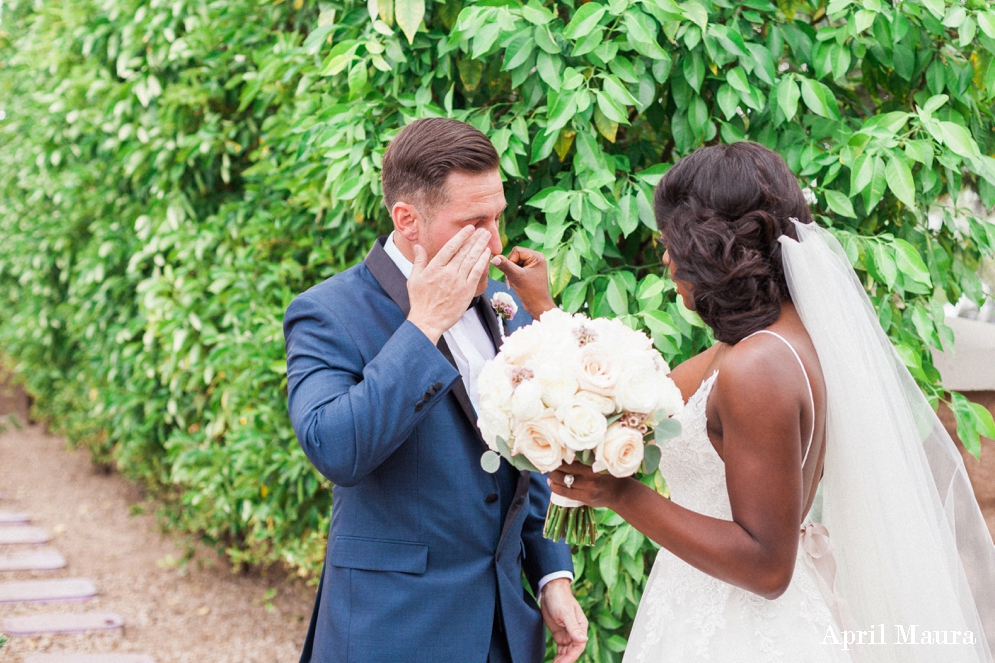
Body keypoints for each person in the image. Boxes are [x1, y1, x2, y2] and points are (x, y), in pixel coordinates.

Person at [501, 142, 995, 662]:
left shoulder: (759, 367)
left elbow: (767, 565)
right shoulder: (753, 345)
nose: (666, 258)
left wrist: (623, 497)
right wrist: (545, 311)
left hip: (745, 634)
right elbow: (634, 404)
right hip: (702, 608)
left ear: (708, 244)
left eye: (672, 240)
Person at [284, 118, 588, 663]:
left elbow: (528, 449)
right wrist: (422, 327)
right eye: (474, 222)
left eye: (497, 216)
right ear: (408, 221)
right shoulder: (327, 313)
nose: (495, 242)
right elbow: (335, 449)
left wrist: (551, 576)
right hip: (393, 630)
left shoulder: (503, 304)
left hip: (503, 631)